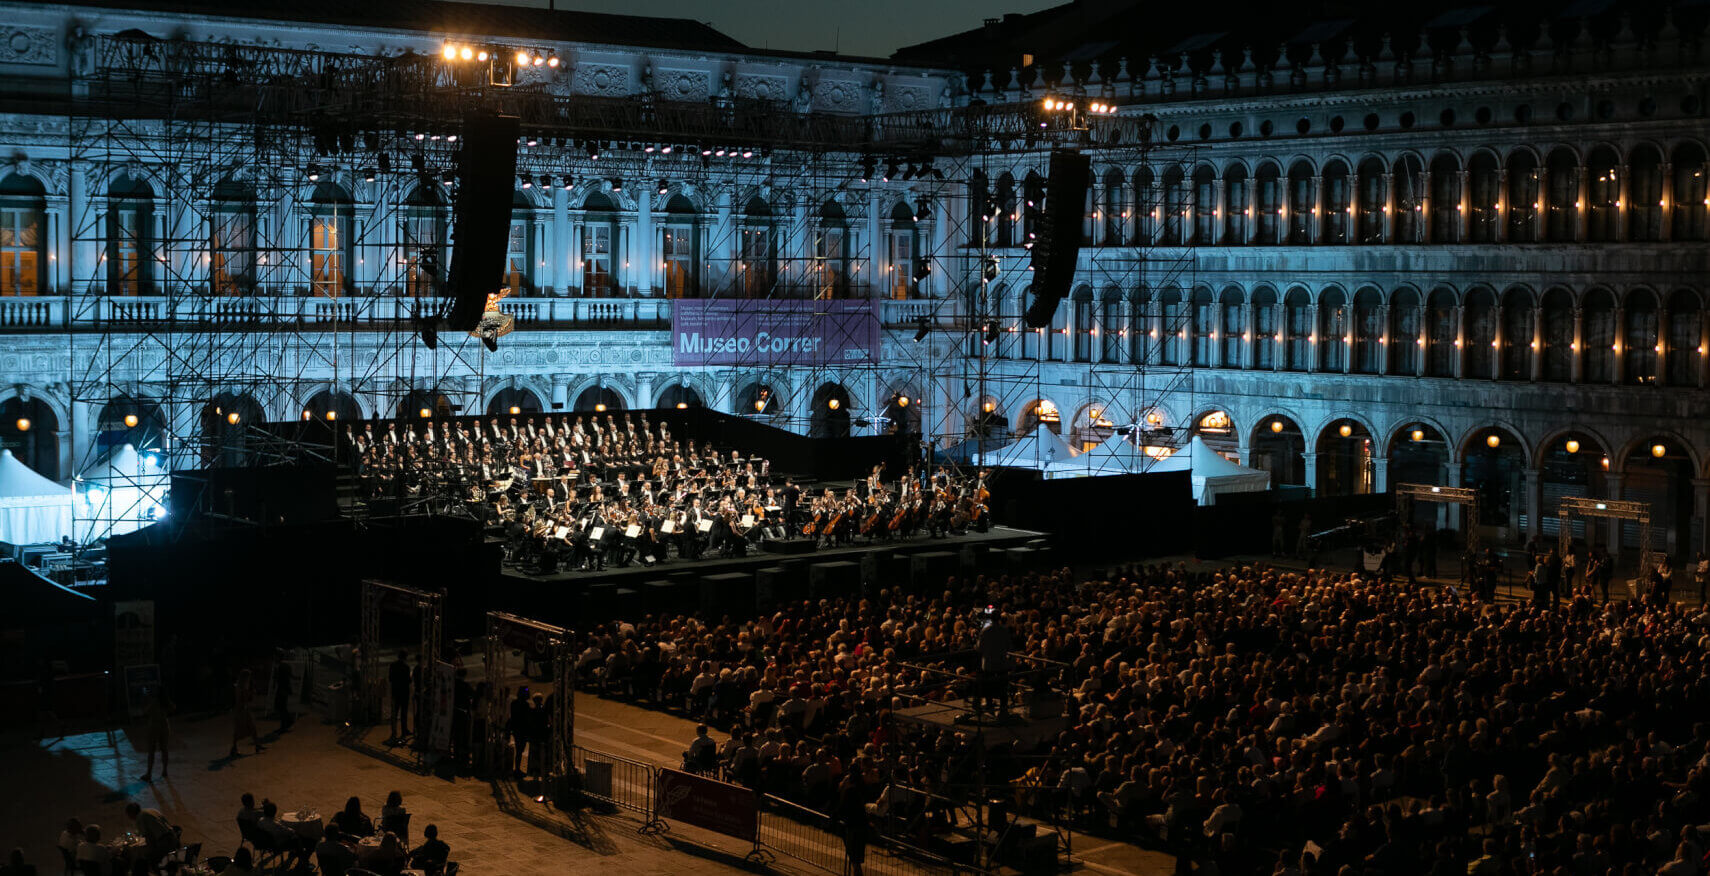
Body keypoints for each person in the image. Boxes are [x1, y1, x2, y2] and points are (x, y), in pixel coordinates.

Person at [124, 802, 177, 870]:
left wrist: (148, 852)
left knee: (151, 859)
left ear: (131, 813)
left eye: (128, 815)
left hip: (165, 841)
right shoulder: (151, 810)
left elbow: (148, 837)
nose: (129, 818)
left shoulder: (140, 818)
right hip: (173, 837)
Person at [229, 669, 261, 758]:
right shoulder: (241, 687)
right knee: (240, 729)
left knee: (251, 727)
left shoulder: (240, 686)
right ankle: (234, 748)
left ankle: (257, 745)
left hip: (243, 709)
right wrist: (250, 693)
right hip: (241, 710)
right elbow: (243, 699)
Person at [140, 687, 170, 781]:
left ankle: (149, 773)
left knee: (151, 750)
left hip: (154, 726)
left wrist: (146, 700)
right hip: (165, 725)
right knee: (164, 749)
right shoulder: (166, 701)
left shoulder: (154, 701)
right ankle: (165, 771)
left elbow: (145, 711)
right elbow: (173, 707)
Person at [389, 652, 412, 740]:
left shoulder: (392, 666)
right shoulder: (406, 667)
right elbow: (408, 681)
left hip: (395, 692)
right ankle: (404, 730)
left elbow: (390, 678)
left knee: (394, 713)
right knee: (403, 713)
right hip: (404, 693)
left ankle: (394, 732)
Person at [272, 657, 295, 732]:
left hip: (282, 689)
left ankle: (287, 723)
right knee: (282, 707)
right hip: (285, 689)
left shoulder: (280, 667)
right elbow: (289, 677)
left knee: (281, 707)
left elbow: (280, 679)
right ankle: (286, 723)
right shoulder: (287, 666)